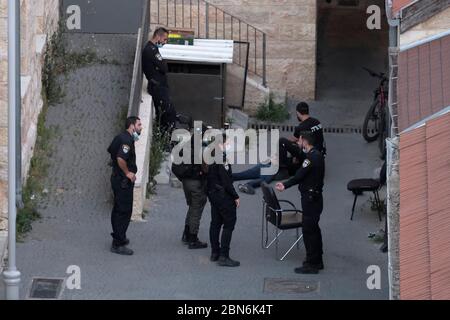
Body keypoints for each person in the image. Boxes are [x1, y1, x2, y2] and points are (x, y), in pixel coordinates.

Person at [276, 132, 325, 274]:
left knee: (309, 231)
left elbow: (299, 176)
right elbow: (302, 167)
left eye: (299, 141)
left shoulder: (310, 159)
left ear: (304, 141)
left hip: (310, 199)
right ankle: (317, 260)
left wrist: (285, 185)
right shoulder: (317, 155)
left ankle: (311, 264)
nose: (298, 143)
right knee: (314, 229)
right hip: (315, 198)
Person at [107, 117, 143, 256]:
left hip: (117, 179)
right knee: (124, 211)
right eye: (139, 125)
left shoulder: (120, 137)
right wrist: (127, 172)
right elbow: (120, 158)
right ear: (132, 126)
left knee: (118, 209)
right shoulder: (127, 141)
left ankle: (119, 236)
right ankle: (118, 243)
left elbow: (111, 151)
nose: (141, 128)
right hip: (122, 182)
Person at [207, 134, 241, 267]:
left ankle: (215, 252)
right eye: (228, 142)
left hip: (213, 194)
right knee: (229, 224)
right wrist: (235, 196)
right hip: (223, 196)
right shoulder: (222, 158)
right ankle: (224, 256)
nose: (229, 145)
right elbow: (226, 181)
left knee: (215, 223)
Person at [175, 135, 209, 250]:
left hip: (186, 183)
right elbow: (205, 169)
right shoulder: (199, 152)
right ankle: (193, 239)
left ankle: (186, 234)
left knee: (192, 207)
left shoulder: (185, 148)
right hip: (196, 184)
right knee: (196, 210)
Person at [142, 27, 177, 131]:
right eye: (164, 39)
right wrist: (162, 65)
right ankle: (165, 135)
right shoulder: (151, 50)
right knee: (168, 113)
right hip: (157, 87)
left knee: (166, 113)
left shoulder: (153, 48)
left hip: (159, 86)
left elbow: (162, 66)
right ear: (158, 36)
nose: (165, 42)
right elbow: (164, 67)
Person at [279, 102, 325, 177]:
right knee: (299, 143)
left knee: (282, 141)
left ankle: (282, 169)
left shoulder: (301, 127)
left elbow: (293, 140)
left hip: (308, 155)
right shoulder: (317, 122)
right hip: (319, 154)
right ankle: (293, 162)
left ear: (297, 113)